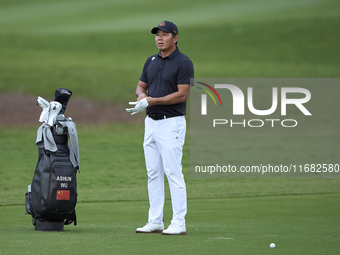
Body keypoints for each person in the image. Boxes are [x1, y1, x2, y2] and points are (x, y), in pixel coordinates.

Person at [126, 21, 194, 235]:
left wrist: (153, 101)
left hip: (171, 123)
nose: (159, 38)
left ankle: (178, 222)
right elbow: (140, 85)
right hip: (151, 123)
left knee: (173, 172)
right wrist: (142, 96)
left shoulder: (184, 63)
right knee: (153, 173)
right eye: (157, 34)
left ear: (175, 38)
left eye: (165, 34)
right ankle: (155, 220)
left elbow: (182, 94)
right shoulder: (151, 61)